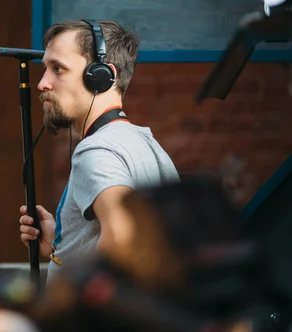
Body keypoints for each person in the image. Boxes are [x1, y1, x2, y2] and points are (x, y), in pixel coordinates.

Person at [18, 18, 179, 288]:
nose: (43, 83)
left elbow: (121, 236)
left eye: (58, 69)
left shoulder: (95, 150)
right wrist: (65, 243)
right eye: (45, 69)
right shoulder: (148, 145)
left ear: (101, 77)